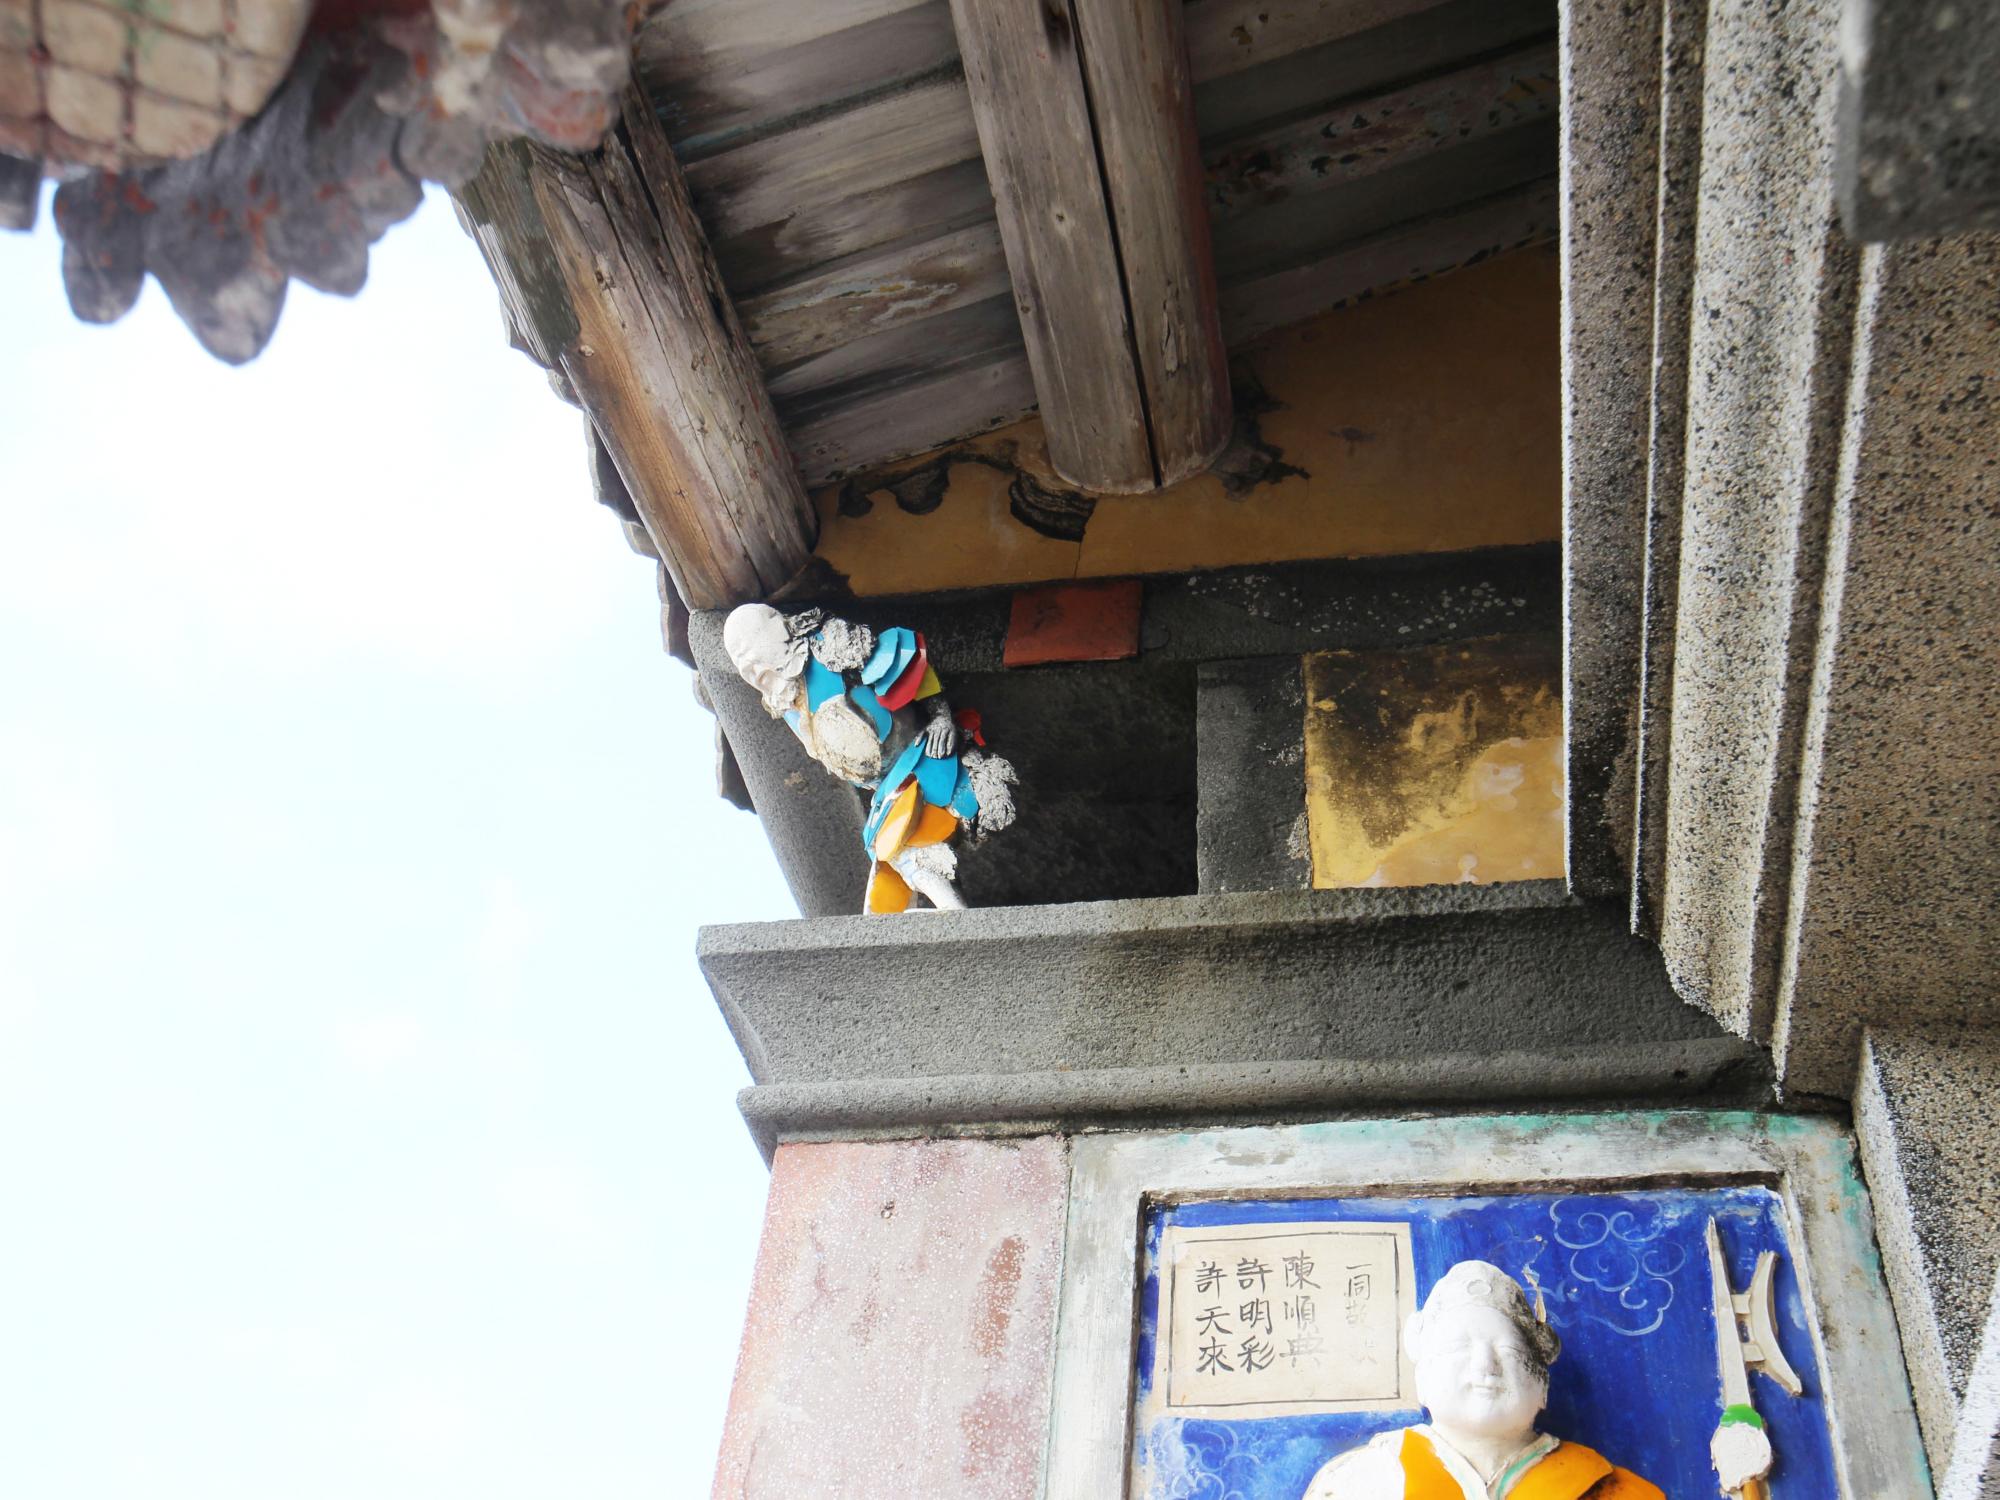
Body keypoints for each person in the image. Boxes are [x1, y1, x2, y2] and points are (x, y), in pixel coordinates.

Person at [722, 603, 1016, 913]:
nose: (752, 670)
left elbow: (901, 663)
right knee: (887, 868)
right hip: (887, 788)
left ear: (773, 628)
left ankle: (951, 911)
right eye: (742, 664)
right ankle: (929, 919)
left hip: (921, 752)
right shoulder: (785, 702)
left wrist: (941, 716)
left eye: (749, 650)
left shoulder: (826, 643)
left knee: (905, 848)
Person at [1303, 1262, 1661, 1500]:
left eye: (1508, 1350)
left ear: (1542, 1387)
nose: (1485, 1366)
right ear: (1422, 1379)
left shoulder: (1613, 1489)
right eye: (1458, 1348)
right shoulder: (1358, 1483)